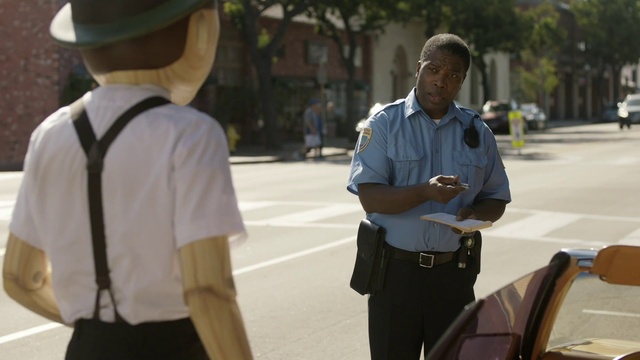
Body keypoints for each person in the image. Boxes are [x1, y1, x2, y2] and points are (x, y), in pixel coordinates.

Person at [2, 1, 253, 359]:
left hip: (87, 347)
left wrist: (97, 327)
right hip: (174, 346)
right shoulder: (191, 134)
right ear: (199, 30)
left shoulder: (49, 134)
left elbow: (19, 277)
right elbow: (207, 288)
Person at [346, 33, 511, 359]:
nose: (441, 81)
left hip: (454, 276)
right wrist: (424, 192)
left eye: (452, 75)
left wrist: (475, 214)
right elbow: (371, 198)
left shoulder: (478, 132)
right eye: (434, 70)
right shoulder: (383, 125)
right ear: (418, 69)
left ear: (462, 81)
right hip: (395, 276)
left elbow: (497, 197)